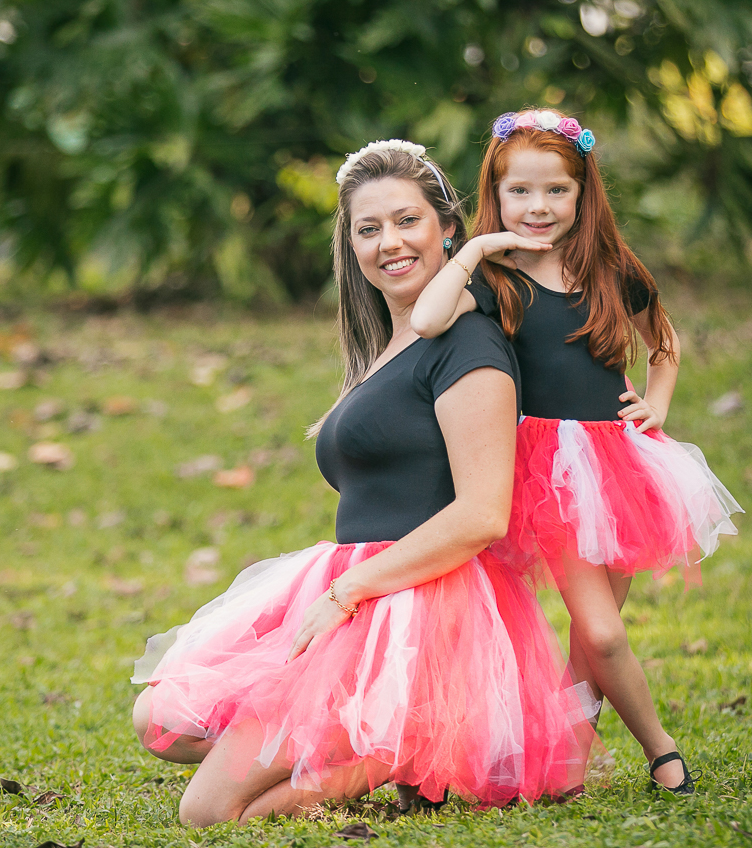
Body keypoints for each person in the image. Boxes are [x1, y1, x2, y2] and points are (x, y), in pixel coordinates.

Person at [131, 139, 596, 826]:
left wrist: (347, 594)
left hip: (417, 605)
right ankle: (399, 743)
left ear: (449, 229)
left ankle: (409, 743)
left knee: (208, 812)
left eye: (408, 221)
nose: (390, 243)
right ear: (349, 244)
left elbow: (482, 514)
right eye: (368, 228)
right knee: (161, 721)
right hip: (355, 589)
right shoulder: (393, 342)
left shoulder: (468, 346)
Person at [409, 109, 743, 795]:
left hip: (622, 464)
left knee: (595, 637)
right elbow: (427, 317)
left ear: (583, 193)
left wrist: (659, 403)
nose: (539, 206)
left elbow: (665, 342)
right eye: (520, 192)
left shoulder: (612, 269)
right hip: (547, 471)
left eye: (557, 190)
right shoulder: (496, 279)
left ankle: (567, 767)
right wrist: (471, 251)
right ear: (495, 196)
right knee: (604, 632)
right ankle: (662, 749)